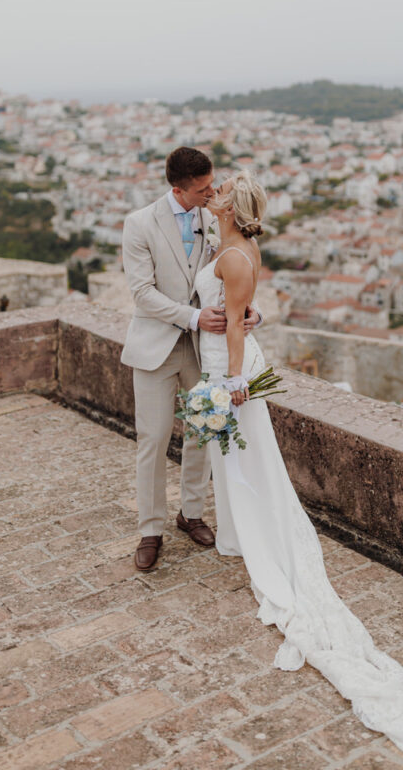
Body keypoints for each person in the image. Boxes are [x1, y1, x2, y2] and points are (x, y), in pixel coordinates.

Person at [196, 170, 403, 757]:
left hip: (231, 371)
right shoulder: (238, 245)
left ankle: (253, 538)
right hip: (233, 361)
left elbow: (235, 327)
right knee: (240, 461)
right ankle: (239, 534)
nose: (212, 193)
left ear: (230, 205)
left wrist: (230, 385)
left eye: (218, 191)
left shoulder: (232, 255)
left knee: (243, 461)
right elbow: (244, 311)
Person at [120, 147, 260, 572]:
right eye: (202, 189)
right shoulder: (139, 224)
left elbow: (234, 274)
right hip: (156, 347)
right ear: (176, 188)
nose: (212, 192)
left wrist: (250, 311)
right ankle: (150, 529)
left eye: (212, 184)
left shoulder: (213, 216)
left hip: (204, 350)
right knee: (154, 439)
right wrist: (195, 317)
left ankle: (192, 513)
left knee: (203, 433)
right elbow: (142, 293)